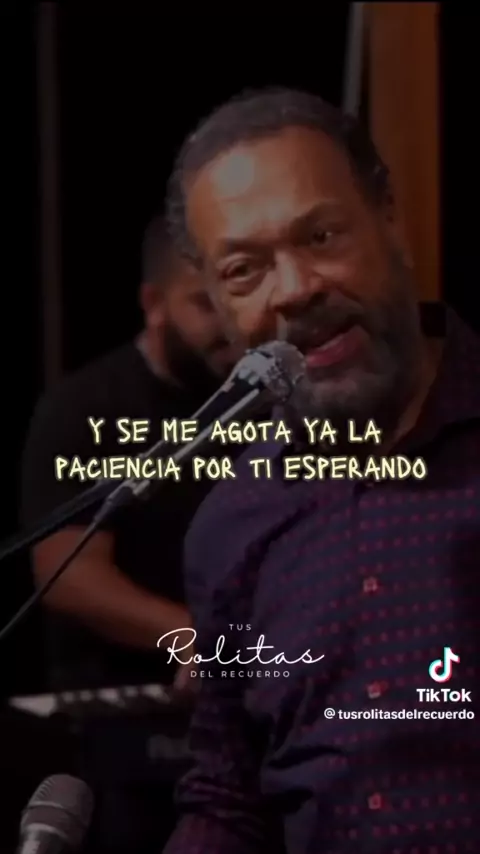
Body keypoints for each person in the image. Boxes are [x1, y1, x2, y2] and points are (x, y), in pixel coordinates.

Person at [162, 88, 480, 853]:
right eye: (245, 270)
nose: (296, 288)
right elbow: (229, 794)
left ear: (390, 218)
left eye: (323, 235)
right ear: (215, 301)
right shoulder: (231, 525)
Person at [20, 214, 234, 694]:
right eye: (206, 304)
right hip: (122, 694)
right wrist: (196, 638)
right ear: (154, 304)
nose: (230, 324)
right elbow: (66, 573)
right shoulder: (84, 407)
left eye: (235, 299)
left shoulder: (267, 401)